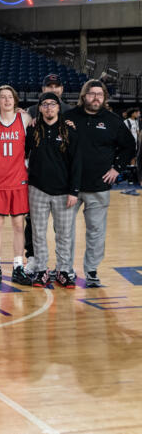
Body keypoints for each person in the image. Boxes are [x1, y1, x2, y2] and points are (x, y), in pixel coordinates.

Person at [65, 80, 135, 287]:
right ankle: (66, 269)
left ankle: (92, 270)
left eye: (100, 95)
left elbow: (129, 146)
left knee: (96, 231)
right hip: (70, 187)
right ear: (83, 96)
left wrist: (117, 168)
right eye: (91, 94)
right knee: (65, 231)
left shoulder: (113, 121)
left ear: (104, 98)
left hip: (99, 187)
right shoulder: (68, 117)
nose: (96, 98)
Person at [26, 92, 82, 288]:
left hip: (64, 191)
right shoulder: (32, 130)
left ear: (59, 107)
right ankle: (41, 270)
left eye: (53, 104)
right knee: (38, 233)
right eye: (45, 104)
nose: (49, 107)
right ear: (40, 108)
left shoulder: (69, 130)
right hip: (37, 189)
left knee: (64, 234)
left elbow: (77, 163)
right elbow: (22, 154)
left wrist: (74, 191)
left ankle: (63, 270)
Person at [0, 86, 32, 287]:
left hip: (19, 180)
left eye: (10, 96)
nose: (7, 100)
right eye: (3, 97)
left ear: (15, 100)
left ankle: (18, 266)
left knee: (19, 225)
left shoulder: (24, 119)